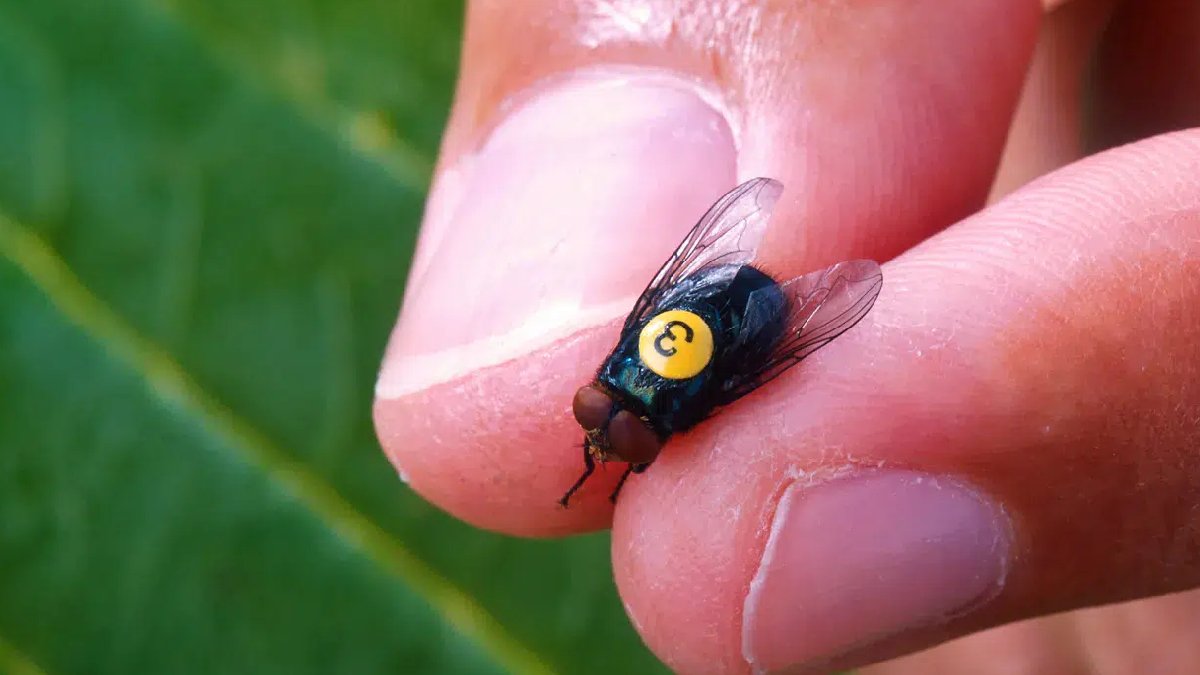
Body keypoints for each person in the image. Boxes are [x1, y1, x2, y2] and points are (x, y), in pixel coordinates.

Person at [373, 1, 1200, 672]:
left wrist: (731, 365)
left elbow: (739, 356)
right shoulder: (626, 384)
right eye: (608, 427)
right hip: (714, 300)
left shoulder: (650, 402)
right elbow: (677, 286)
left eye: (607, 428)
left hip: (750, 315)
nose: (602, 437)